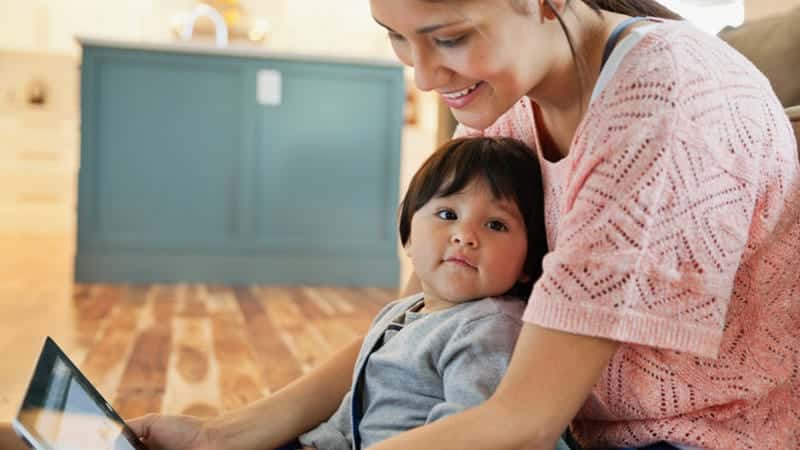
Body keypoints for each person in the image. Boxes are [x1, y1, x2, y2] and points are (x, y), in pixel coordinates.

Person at [130, 1, 800, 449]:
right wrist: (221, 435)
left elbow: (523, 423)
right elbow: (428, 316)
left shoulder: (664, 101)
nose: (422, 76)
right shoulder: (510, 109)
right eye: (397, 37)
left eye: (448, 37)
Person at [281, 136, 553, 450]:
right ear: (408, 237)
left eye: (495, 224)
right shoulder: (400, 312)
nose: (465, 236)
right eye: (448, 215)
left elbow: (470, 430)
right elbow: (356, 403)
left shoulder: (488, 328)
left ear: (527, 265)